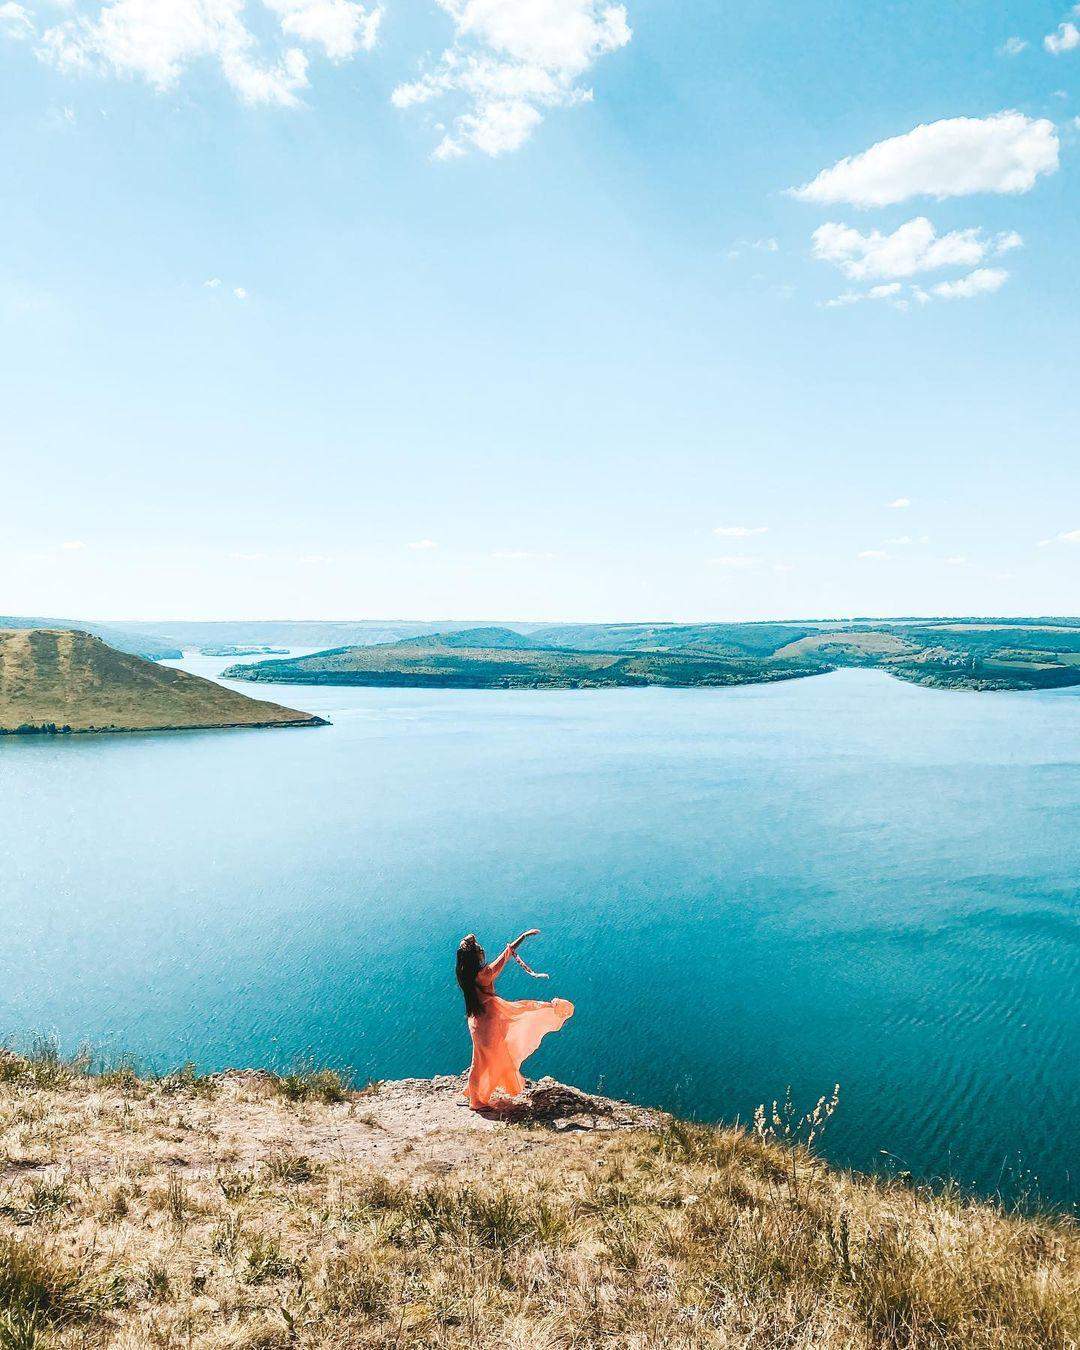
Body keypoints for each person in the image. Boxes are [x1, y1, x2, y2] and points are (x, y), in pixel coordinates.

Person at [456, 929, 574, 1109]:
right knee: (485, 1061)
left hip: (475, 1021)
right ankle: (476, 1101)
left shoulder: (463, 974)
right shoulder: (484, 974)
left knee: (478, 1060)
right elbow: (505, 956)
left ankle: (472, 1094)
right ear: (476, 957)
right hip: (488, 1021)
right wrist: (523, 937)